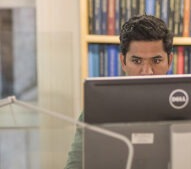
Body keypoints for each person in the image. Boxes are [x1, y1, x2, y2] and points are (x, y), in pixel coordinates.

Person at [64, 14, 174, 169]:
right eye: (136, 61)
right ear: (123, 62)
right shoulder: (99, 108)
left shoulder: (188, 105)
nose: (147, 71)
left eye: (156, 61)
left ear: (169, 61)